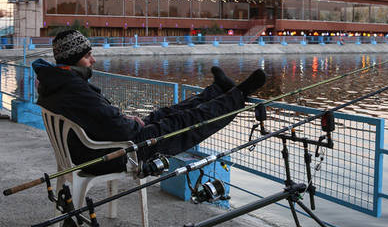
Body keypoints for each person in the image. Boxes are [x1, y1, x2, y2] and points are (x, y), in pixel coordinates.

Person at [33, 29, 266, 176]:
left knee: (167, 113)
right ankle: (238, 94)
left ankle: (217, 90)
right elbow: (116, 126)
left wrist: (126, 119)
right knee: (183, 122)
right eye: (87, 56)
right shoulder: (73, 88)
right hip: (112, 153)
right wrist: (131, 124)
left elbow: (100, 117)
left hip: (99, 145)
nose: (93, 60)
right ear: (73, 60)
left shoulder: (57, 83)